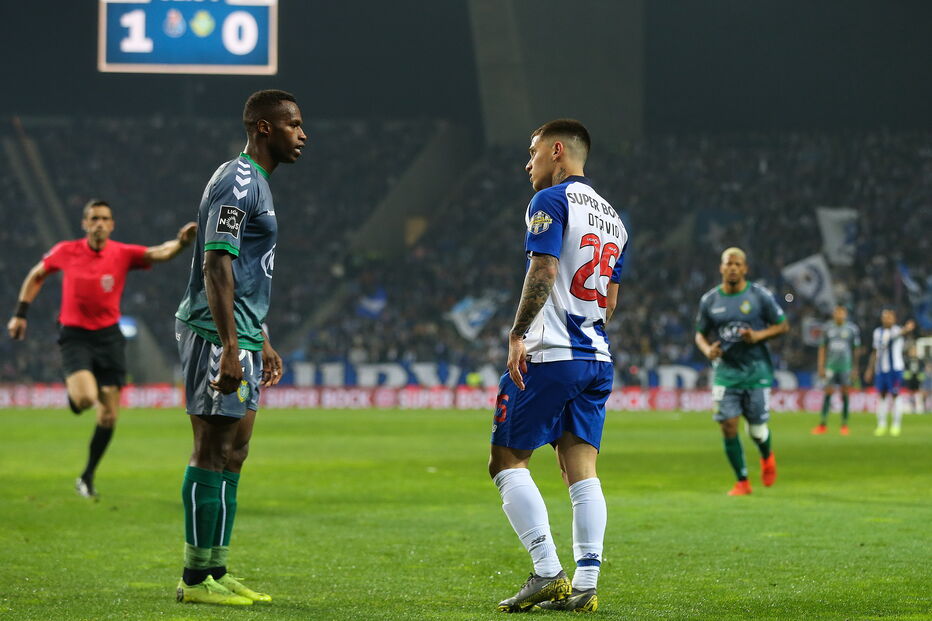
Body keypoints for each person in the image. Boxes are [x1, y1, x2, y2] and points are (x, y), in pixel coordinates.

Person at [173, 89, 305, 606]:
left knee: (236, 450)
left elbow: (247, 273)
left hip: (244, 333)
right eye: (293, 124)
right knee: (211, 448)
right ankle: (193, 577)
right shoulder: (238, 179)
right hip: (213, 331)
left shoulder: (262, 186)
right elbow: (216, 264)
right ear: (264, 128)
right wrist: (230, 345)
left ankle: (216, 568)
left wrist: (260, 338)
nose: (303, 133)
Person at [489, 119, 627, 613]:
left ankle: (548, 572)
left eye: (532, 154)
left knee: (506, 461)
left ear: (556, 150)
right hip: (597, 357)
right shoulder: (615, 219)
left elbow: (544, 268)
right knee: (580, 470)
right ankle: (587, 583)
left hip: (552, 353)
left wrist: (519, 332)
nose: (528, 164)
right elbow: (610, 300)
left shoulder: (550, 201)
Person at [6, 199, 195, 498]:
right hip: (75, 335)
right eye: (94, 218)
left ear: (112, 224)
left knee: (108, 416)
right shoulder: (66, 251)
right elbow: (36, 275)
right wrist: (20, 313)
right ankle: (76, 395)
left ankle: (87, 475)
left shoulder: (121, 253)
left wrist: (181, 244)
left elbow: (157, 253)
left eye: (105, 218)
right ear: (84, 223)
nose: (99, 224)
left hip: (109, 337)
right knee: (84, 400)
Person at [694, 248, 789, 496]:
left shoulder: (759, 296)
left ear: (745, 268)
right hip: (726, 372)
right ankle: (742, 481)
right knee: (728, 426)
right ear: (721, 268)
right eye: (729, 264)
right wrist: (707, 350)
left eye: (738, 264)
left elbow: (783, 325)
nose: (733, 267)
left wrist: (759, 335)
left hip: (756, 371)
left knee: (757, 431)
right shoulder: (710, 300)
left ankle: (767, 456)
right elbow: (700, 334)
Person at [864, 310, 915, 437]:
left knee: (896, 395)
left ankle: (896, 425)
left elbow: (900, 333)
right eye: (885, 317)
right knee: (881, 396)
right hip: (881, 370)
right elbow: (875, 351)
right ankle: (881, 425)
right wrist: (870, 369)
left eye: (890, 317)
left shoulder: (897, 330)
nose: (887, 319)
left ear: (894, 319)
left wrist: (907, 329)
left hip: (895, 370)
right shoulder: (877, 332)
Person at [813, 305, 861, 435]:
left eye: (842, 312)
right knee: (828, 393)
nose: (839, 314)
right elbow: (822, 348)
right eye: (837, 312)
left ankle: (844, 425)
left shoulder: (852, 329)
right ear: (834, 313)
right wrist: (821, 366)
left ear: (845, 314)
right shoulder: (827, 328)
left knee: (845, 394)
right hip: (830, 366)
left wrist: (855, 368)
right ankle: (823, 424)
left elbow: (855, 350)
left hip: (846, 367)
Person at [902, 344, 927, 415]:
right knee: (910, 393)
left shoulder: (919, 360)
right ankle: (910, 407)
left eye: (914, 351)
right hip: (910, 379)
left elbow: (922, 370)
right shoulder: (907, 360)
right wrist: (906, 378)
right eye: (912, 351)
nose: (913, 352)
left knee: (918, 393)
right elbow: (905, 370)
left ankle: (919, 408)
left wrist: (921, 378)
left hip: (917, 379)